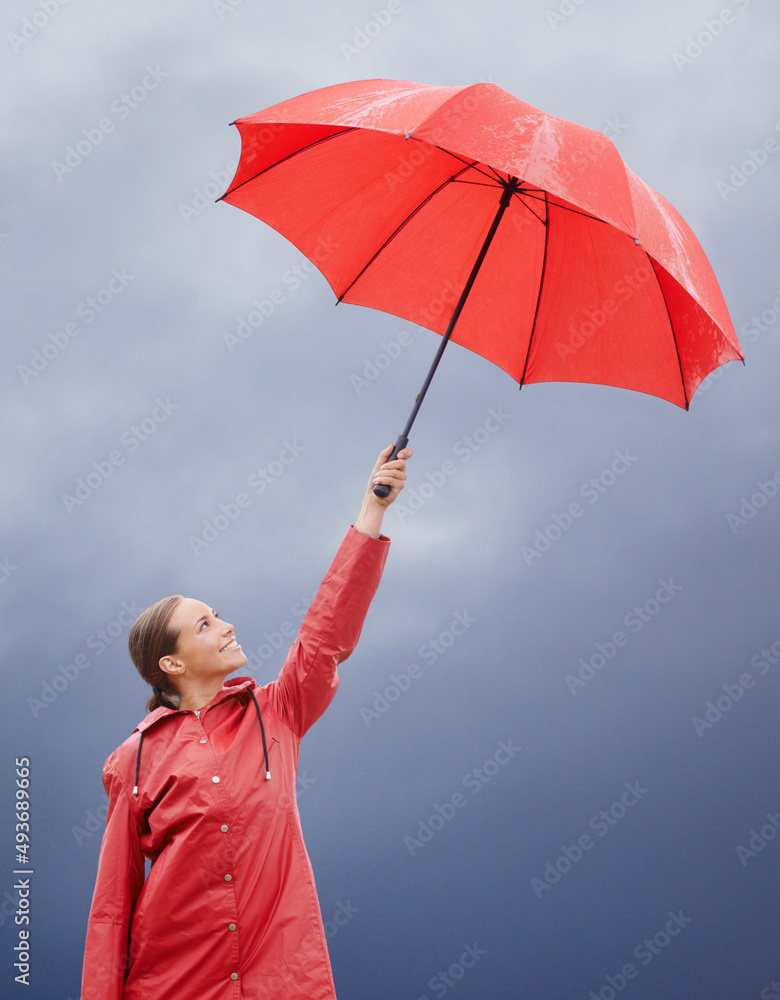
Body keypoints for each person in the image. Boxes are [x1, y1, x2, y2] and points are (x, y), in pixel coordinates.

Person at [81, 445, 412, 1000]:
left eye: (217, 615)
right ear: (172, 664)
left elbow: (324, 636)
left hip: (282, 981)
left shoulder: (276, 712)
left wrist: (372, 511)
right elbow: (114, 903)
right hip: (174, 985)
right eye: (206, 625)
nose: (227, 626)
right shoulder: (131, 760)